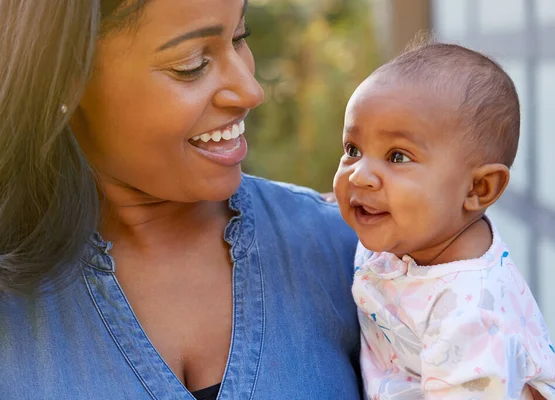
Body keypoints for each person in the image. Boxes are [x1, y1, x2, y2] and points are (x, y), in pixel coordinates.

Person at [0, 1, 362, 399]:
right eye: (191, 64)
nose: (250, 91)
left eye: (240, 38)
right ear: (65, 77)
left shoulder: (346, 252)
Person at [333, 43, 555, 399]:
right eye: (353, 150)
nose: (360, 176)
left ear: (478, 188)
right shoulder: (416, 231)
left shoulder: (470, 315)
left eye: (397, 156)